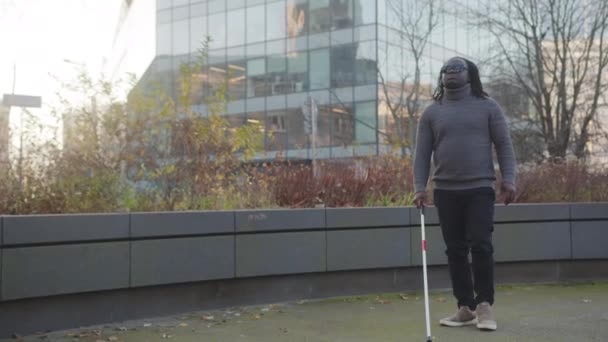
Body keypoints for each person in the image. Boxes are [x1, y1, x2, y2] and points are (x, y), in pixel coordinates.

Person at [413, 57, 516, 331]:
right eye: (446, 70)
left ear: (469, 75)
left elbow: (504, 144)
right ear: (442, 76)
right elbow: (422, 154)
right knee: (455, 250)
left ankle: (484, 305)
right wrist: (419, 188)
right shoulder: (432, 112)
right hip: (446, 191)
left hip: (480, 188)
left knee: (481, 245)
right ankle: (465, 307)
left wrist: (510, 180)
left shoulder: (488, 106)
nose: (451, 74)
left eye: (457, 70)